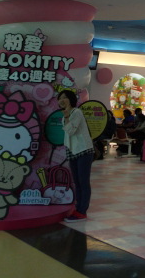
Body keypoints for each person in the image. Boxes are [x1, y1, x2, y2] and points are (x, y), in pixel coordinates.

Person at [59, 90, 94, 223]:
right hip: (72, 151)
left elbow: (71, 130)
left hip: (83, 150)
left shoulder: (77, 112)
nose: (62, 100)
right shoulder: (65, 115)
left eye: (65, 98)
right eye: (60, 98)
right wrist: (66, 116)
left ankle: (82, 211)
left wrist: (67, 115)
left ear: (71, 99)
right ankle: (79, 208)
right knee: (77, 182)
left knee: (83, 182)